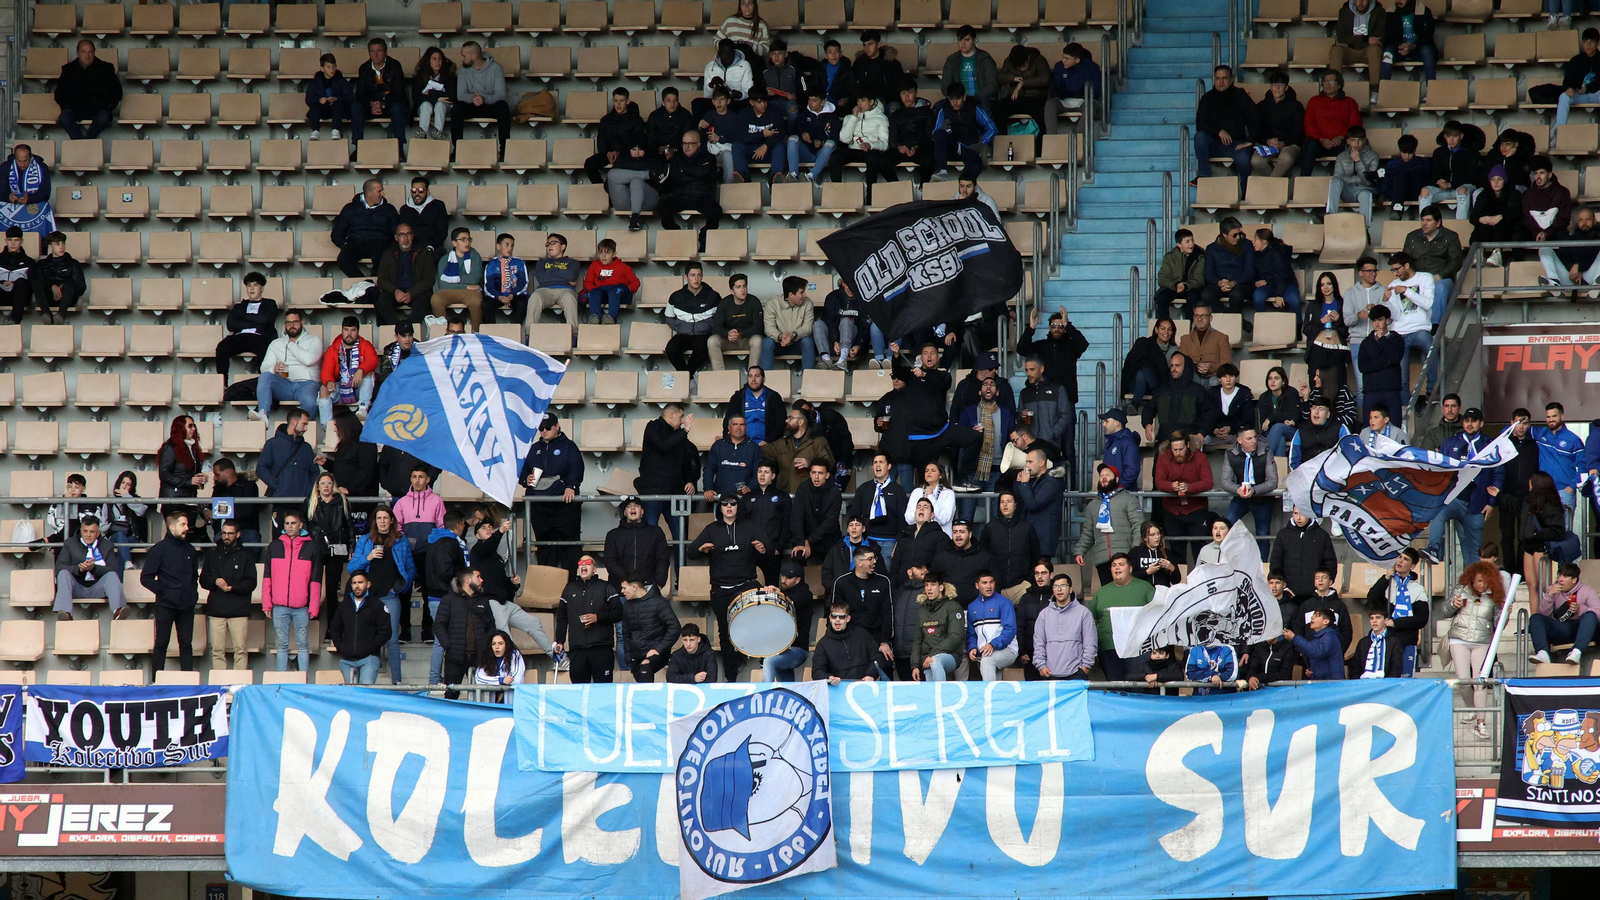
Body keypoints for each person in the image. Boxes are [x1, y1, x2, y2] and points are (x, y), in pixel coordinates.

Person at [692, 495, 769, 679]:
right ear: (720, 508)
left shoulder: (749, 527)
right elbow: (691, 551)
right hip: (720, 588)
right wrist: (700, 549)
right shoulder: (712, 529)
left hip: (746, 585)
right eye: (725, 504)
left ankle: (764, 662)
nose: (729, 506)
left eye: (733, 503)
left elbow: (770, 547)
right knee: (725, 636)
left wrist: (763, 549)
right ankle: (730, 679)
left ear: (738, 506)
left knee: (764, 616)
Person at [1425, 408, 1502, 565]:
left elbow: (1498, 475)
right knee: (1438, 511)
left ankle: (1473, 586)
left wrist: (1492, 503)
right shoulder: (1451, 442)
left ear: (1481, 423)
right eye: (1466, 421)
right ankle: (1434, 548)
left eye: (1473, 421)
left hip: (1477, 503)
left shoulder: (1490, 445)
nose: (1469, 424)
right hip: (1455, 497)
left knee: (1472, 551)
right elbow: (1440, 469)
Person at [347, 505, 414, 684]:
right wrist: (368, 557)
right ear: (374, 522)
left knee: (392, 639)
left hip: (389, 596)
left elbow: (410, 569)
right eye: (379, 518)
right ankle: (368, 681)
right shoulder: (366, 541)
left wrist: (399, 588)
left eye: (385, 518)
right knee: (369, 638)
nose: (382, 521)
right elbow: (351, 568)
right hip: (369, 598)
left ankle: (397, 682)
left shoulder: (401, 540)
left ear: (392, 520)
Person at [1446, 561, 1505, 736]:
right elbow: (1443, 612)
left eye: (1485, 581)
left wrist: (1504, 613)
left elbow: (1497, 625)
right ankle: (1471, 709)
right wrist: (1452, 605)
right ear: (1471, 579)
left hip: (1482, 641)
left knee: (1480, 682)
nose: (1482, 585)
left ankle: (1481, 723)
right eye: (1479, 581)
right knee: (1463, 681)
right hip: (1459, 640)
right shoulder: (1460, 591)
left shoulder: (1494, 597)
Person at [520, 413, 584, 573]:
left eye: (548, 427)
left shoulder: (569, 446)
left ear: (557, 426)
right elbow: (522, 470)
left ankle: (572, 589)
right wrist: (525, 479)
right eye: (541, 428)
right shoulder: (534, 448)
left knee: (569, 548)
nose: (544, 430)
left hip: (564, 504)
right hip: (539, 505)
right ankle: (547, 590)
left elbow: (577, 468)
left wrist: (571, 487)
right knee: (545, 548)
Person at [262, 511, 324, 672]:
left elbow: (316, 579)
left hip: (301, 606)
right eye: (287, 523)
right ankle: (281, 679)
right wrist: (266, 603)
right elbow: (267, 576)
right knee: (281, 644)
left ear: (301, 525)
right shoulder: (274, 546)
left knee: (303, 645)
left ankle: (303, 679)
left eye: (293, 523)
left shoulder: (311, 547)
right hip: (279, 605)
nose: (290, 526)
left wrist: (314, 606)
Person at [137, 511, 199, 671]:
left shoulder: (190, 550)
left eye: (187, 524)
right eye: (183, 524)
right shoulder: (159, 549)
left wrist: (193, 594)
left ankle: (189, 681)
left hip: (186, 605)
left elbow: (194, 577)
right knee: (161, 643)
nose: (187, 528)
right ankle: (156, 682)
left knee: (186, 644)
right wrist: (163, 591)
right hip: (165, 605)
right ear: (172, 527)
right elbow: (146, 578)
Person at [554, 555, 624, 684]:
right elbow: (562, 617)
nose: (583, 565)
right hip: (577, 649)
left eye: (588, 562)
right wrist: (560, 641)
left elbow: (619, 613)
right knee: (579, 690)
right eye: (580, 562)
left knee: (603, 690)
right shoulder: (569, 589)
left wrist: (598, 617)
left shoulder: (605, 587)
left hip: (601, 648)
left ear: (594, 569)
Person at [1086, 553, 1155, 680]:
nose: (1117, 568)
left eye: (1121, 564)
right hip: (1109, 648)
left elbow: (1156, 616)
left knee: (1137, 687)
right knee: (1115, 688)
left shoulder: (1145, 588)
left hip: (1138, 647)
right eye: (1114, 565)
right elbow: (1090, 621)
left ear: (1130, 568)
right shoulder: (1101, 592)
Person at [1363, 547, 1431, 676]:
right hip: (1386, 638)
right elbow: (1372, 598)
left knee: (1405, 677)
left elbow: (1421, 619)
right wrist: (1385, 577)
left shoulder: (1417, 589)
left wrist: (1396, 623)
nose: (1400, 561)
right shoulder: (1387, 583)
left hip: (1407, 639)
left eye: (1406, 559)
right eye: (1399, 557)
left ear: (1412, 566)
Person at [198, 519, 254, 670]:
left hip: (239, 610)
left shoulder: (246, 555)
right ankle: (219, 685)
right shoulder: (213, 554)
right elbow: (203, 579)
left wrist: (233, 587)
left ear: (238, 534)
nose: (227, 536)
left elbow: (251, 583)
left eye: (230, 533)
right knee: (217, 651)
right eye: (224, 533)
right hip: (217, 609)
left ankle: (240, 684)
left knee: (240, 650)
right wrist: (215, 581)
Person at [1074, 463, 1141, 585]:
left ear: (1116, 479)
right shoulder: (1092, 505)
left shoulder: (1128, 499)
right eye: (1101, 475)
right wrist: (1080, 550)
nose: (1104, 477)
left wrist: (1135, 549)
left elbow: (1139, 526)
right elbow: (1088, 532)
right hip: (1103, 559)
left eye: (1107, 475)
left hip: (1125, 557)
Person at [52, 514, 127, 622]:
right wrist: (79, 569)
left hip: (97, 587)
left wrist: (93, 568)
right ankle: (65, 613)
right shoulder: (70, 543)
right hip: (76, 587)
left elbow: (112, 569)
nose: (88, 535)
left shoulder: (107, 545)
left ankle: (118, 611)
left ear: (98, 533)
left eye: (92, 532)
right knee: (63, 573)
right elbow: (59, 567)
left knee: (112, 576)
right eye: (85, 531)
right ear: (81, 531)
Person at [1192, 65, 1256, 191]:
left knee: (1244, 158)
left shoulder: (1240, 95)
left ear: (1231, 79)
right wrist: (1218, 131)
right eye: (1218, 78)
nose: (1221, 81)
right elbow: (1200, 124)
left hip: (1237, 144)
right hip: (1215, 144)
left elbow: (1255, 117)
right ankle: (1203, 176)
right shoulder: (1207, 98)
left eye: (1224, 78)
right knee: (1199, 137)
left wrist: (1251, 140)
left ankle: (1246, 191)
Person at [1152, 432, 1213, 564]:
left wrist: (1189, 488)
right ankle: (1178, 582)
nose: (1178, 453)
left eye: (1181, 449)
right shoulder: (1163, 457)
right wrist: (1171, 486)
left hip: (1197, 509)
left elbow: (1208, 482)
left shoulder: (1200, 457)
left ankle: (1202, 581)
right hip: (1172, 510)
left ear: (1188, 445)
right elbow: (1159, 482)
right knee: (1176, 549)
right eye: (1175, 450)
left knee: (1200, 548)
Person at [254, 310, 323, 421]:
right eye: (288, 323)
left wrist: (291, 344)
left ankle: (306, 430)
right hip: (286, 384)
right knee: (265, 377)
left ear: (302, 322)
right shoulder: (276, 343)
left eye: (295, 322)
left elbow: (309, 360)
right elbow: (264, 367)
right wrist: (274, 368)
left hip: (307, 384)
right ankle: (263, 415)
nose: (291, 326)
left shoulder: (314, 340)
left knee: (310, 402)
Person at [435, 569, 494, 695]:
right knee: (451, 695)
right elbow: (439, 625)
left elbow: (491, 627)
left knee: (484, 695)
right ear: (467, 580)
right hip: (455, 657)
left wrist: (486, 647)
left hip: (480, 658)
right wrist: (448, 645)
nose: (482, 580)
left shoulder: (484, 601)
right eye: (478, 577)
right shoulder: (449, 600)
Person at [1529, 562, 1599, 666]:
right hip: (1563, 629)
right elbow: (1543, 614)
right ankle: (1543, 653)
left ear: (1574, 580)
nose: (1560, 579)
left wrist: (1580, 609)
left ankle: (1576, 652)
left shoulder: (1587, 590)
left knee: (1591, 615)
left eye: (1565, 576)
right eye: (1559, 575)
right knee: (1535, 618)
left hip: (1582, 629)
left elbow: (1597, 612)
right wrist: (1550, 595)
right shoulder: (1552, 590)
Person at [326, 572, 389, 685]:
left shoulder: (377, 605)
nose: (357, 586)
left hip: (369, 658)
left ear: (368, 584)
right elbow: (335, 628)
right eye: (354, 583)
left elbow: (386, 631)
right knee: (350, 696)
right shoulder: (344, 606)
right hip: (347, 660)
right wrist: (341, 647)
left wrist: (371, 647)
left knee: (365, 694)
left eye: (360, 582)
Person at [213, 272, 278, 380]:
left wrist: (243, 317)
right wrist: (256, 321)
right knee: (222, 347)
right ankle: (223, 383)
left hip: (260, 337)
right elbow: (231, 324)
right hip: (240, 337)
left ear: (261, 288)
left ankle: (264, 383)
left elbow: (265, 320)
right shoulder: (239, 306)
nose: (251, 288)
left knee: (264, 350)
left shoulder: (269, 304)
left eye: (255, 285)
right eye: (249, 285)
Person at [617, 571, 680, 682]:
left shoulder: (659, 603)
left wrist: (658, 649)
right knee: (641, 687)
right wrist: (629, 658)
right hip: (635, 657)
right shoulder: (627, 606)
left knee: (645, 668)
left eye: (624, 588)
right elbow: (626, 634)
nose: (622, 591)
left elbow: (674, 627)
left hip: (657, 653)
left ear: (634, 587)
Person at [1220, 426, 1278, 546]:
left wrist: (1255, 490)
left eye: (1255, 437)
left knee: (1263, 534)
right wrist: (1237, 489)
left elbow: (1273, 481)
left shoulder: (1266, 453)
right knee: (1227, 526)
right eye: (1249, 438)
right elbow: (1225, 481)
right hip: (1240, 497)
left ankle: (1262, 564)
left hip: (1262, 498)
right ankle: (1228, 561)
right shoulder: (1230, 454)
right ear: (1240, 441)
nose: (1254, 441)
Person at [54, 40, 122, 140]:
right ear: (77, 53)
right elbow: (59, 94)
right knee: (64, 118)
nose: (87, 55)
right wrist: (67, 105)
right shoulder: (68, 69)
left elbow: (117, 93)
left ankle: (87, 142)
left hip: (99, 109)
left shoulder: (106, 68)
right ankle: (83, 142)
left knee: (104, 117)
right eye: (83, 52)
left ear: (94, 52)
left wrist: (107, 106)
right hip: (75, 109)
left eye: (90, 52)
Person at [904, 571, 964, 682]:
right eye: (926, 585)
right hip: (927, 658)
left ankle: (940, 695)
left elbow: (955, 637)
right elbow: (918, 640)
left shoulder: (953, 607)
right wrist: (915, 666)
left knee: (935, 661)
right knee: (930, 691)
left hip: (950, 655)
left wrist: (932, 654)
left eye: (933, 584)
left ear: (941, 587)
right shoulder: (922, 610)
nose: (929, 588)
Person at [1300, 69, 1363, 177]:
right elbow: (1308, 125)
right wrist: (1322, 139)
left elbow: (1355, 124)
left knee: (1351, 145)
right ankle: (1303, 180)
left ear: (1339, 85)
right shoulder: (1314, 101)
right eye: (1325, 81)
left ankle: (1348, 183)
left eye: (1331, 81)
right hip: (1320, 143)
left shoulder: (1349, 102)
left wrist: (1341, 137)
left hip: (1341, 142)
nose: (1327, 84)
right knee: (1310, 145)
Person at [373, 225, 436, 328]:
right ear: (396, 238)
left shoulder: (424, 253)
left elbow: (429, 280)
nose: (405, 239)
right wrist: (395, 291)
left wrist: (411, 293)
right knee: (382, 301)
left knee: (423, 304)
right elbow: (382, 280)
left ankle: (407, 330)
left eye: (408, 234)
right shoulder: (388, 254)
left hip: (417, 292)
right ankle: (398, 328)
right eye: (402, 235)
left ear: (413, 236)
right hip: (395, 292)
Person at [316, 316, 377, 422]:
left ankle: (363, 408)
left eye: (353, 330)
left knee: (369, 373)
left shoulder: (364, 344)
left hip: (358, 387)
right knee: (324, 389)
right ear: (342, 331)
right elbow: (326, 369)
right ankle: (327, 428)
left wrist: (361, 370)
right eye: (346, 330)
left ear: (358, 331)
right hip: (340, 388)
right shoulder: (334, 348)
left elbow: (373, 360)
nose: (349, 334)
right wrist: (329, 381)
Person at [815, 279, 885, 371]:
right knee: (818, 323)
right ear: (843, 283)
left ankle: (843, 359)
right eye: (848, 284)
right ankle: (826, 359)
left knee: (846, 320)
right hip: (833, 343)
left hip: (853, 343)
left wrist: (858, 345)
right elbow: (829, 321)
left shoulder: (864, 298)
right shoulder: (833, 297)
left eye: (854, 285)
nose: (851, 288)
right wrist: (835, 341)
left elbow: (865, 326)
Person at [931, 83, 997, 179]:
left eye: (958, 98)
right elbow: (935, 134)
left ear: (964, 97)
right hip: (952, 148)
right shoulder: (944, 110)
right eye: (951, 99)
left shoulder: (974, 108)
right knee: (939, 134)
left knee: (975, 168)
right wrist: (943, 128)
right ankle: (942, 171)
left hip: (968, 148)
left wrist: (980, 144)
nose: (955, 103)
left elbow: (992, 128)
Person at [1270, 509, 1340, 601]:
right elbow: (1276, 563)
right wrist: (1284, 588)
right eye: (1295, 514)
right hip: (1289, 595)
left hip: (1315, 595)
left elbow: (1330, 563)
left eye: (1302, 514)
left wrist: (1321, 587)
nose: (1298, 518)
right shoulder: (1283, 535)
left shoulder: (1322, 535)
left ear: (1309, 513)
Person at [352, 38, 410, 145]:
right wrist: (372, 103)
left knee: (397, 108)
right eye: (372, 51)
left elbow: (399, 92)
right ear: (369, 53)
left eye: (379, 51)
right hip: (371, 106)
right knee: (356, 108)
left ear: (386, 52)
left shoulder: (395, 66)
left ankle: (400, 147)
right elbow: (360, 93)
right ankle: (357, 147)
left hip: (390, 105)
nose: (376, 55)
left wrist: (383, 104)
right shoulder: (364, 68)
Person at [664, 262, 719, 372]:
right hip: (683, 334)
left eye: (699, 275)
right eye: (692, 275)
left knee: (701, 348)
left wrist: (709, 327)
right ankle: (688, 377)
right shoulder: (676, 297)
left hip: (703, 335)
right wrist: (678, 327)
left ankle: (687, 378)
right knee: (671, 349)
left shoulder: (713, 296)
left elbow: (720, 318)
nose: (696, 278)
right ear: (686, 277)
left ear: (702, 276)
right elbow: (669, 317)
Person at [962, 571, 1018, 681]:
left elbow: (1010, 630)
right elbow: (971, 633)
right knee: (992, 675)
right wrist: (972, 647)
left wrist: (993, 645)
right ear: (977, 586)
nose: (989, 586)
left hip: (1007, 650)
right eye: (984, 583)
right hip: (985, 653)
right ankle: (994, 695)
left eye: (991, 582)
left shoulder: (1004, 602)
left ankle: (989, 696)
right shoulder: (972, 606)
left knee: (987, 661)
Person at [587, 88, 647, 186]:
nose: (618, 104)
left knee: (619, 167)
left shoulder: (636, 120)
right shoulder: (606, 120)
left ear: (627, 101)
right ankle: (601, 189)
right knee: (590, 163)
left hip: (627, 155)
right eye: (616, 101)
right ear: (612, 101)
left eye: (621, 101)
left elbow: (637, 143)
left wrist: (619, 153)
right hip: (608, 154)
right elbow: (601, 143)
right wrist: (608, 153)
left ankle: (612, 191)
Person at [1418, 128, 1479, 223]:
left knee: (1462, 191)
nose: (1451, 139)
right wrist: (1438, 181)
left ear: (1461, 136)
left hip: (1463, 188)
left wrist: (1451, 184)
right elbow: (1433, 173)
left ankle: (1460, 225)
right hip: (1443, 189)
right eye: (1448, 136)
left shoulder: (1470, 152)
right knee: (1425, 191)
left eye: (1455, 136)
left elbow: (1472, 177)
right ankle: (1424, 225)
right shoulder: (1439, 152)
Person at [1524, 157, 1575, 269]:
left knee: (1566, 240)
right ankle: (1518, 270)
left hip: (1555, 231)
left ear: (1550, 175)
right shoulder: (1527, 195)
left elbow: (1564, 219)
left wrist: (1547, 232)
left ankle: (1567, 272)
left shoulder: (1562, 192)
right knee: (1516, 238)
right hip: (1534, 232)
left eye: (1541, 173)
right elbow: (1526, 219)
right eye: (1535, 173)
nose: (1538, 177)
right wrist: (1537, 232)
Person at [1327, 125, 1380, 234]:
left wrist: (1358, 162)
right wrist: (1357, 178)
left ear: (1364, 141)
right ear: (1348, 141)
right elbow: (1338, 178)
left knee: (1366, 194)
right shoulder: (1341, 157)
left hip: (1364, 190)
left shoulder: (1373, 156)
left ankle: (1365, 229)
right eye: (1353, 140)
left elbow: (1368, 181)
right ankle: (1330, 216)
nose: (1356, 144)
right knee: (1335, 181)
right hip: (1347, 190)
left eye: (1359, 140)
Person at [1250, 71, 1304, 177]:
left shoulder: (1296, 106)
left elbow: (1298, 132)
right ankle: (1278, 184)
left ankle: (1272, 187)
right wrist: (1268, 140)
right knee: (1256, 160)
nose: (1277, 88)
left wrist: (1283, 143)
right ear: (1270, 87)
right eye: (1274, 84)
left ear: (1286, 87)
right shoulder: (1262, 106)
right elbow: (1257, 129)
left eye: (1281, 84)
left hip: (1289, 144)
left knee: (1286, 158)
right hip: (1268, 144)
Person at [811, 601, 880, 683]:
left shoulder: (862, 634)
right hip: (838, 690)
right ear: (830, 618)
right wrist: (829, 678)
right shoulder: (823, 644)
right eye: (834, 616)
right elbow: (817, 672)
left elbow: (877, 656)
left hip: (864, 686)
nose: (837, 620)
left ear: (848, 619)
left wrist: (871, 674)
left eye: (841, 617)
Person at [1532, 401, 1584, 508]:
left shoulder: (1573, 440)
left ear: (1562, 416)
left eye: (1554, 416)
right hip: (1543, 491)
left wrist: (1572, 487)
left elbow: (1583, 465)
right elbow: (1515, 430)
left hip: (1565, 492)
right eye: (1548, 417)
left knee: (1565, 525)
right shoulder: (1540, 433)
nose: (1551, 419)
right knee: (1544, 525)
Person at [432, 228, 486, 330]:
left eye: (469, 239)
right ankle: (442, 332)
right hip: (455, 290)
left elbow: (474, 278)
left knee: (476, 301)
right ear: (454, 243)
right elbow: (442, 284)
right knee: (436, 299)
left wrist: (453, 279)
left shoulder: (475, 256)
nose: (467, 242)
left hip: (469, 292)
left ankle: (476, 332)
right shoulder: (445, 259)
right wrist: (465, 286)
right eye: (463, 239)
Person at [578, 238, 639, 327]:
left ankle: (611, 318)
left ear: (614, 254)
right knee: (594, 292)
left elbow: (635, 282)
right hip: (603, 292)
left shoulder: (623, 267)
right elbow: (588, 282)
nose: (603, 256)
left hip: (619, 292)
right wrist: (594, 291)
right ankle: (595, 318)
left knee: (614, 290)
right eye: (601, 253)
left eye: (607, 253)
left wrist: (628, 289)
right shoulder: (595, 265)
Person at [1331, 0, 1386, 95]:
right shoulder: (1344, 11)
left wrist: (1354, 41)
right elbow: (1342, 38)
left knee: (1374, 49)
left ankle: (1375, 89)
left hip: (1368, 51)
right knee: (1336, 50)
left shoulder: (1379, 12)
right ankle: (1333, 89)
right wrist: (1366, 39)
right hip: (1350, 50)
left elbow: (1378, 38)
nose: (1360, 3)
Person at [1044, 42, 1100, 132]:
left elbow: (1095, 91)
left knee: (1090, 106)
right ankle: (1051, 138)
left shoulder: (1092, 68)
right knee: (1050, 104)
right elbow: (1056, 88)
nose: (1063, 60)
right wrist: (1073, 92)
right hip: (1063, 100)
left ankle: (1079, 139)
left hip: (1084, 101)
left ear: (1077, 60)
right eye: (1063, 57)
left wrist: (1071, 91)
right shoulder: (1059, 66)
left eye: (1067, 58)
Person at [30, 231, 84, 324]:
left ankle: (61, 314)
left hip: (68, 298)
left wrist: (62, 287)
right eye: (57, 244)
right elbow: (38, 285)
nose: (61, 247)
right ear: (50, 247)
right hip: (48, 298)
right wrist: (52, 286)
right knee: (36, 282)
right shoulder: (41, 264)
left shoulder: (73, 263)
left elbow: (81, 287)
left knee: (70, 282)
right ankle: (46, 313)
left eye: (63, 243)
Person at [1123, 318, 1178, 406]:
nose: (1166, 332)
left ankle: (1135, 405)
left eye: (1169, 329)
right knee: (1143, 370)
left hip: (1161, 382)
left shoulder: (1174, 350)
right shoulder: (1145, 344)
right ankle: (1158, 393)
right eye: (1163, 328)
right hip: (1139, 384)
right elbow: (1133, 364)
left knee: (1144, 370)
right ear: (1156, 330)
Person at [1556, 28, 1600, 139]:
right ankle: (1558, 135)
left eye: (1591, 41)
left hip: (1597, 94)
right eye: (1585, 41)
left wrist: (1588, 88)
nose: (1588, 44)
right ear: (1582, 43)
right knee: (1564, 96)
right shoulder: (1576, 60)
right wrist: (1570, 88)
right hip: (1581, 95)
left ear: (1598, 43)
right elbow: (1567, 80)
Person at [788, 91, 841, 183]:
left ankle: (811, 176)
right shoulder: (803, 114)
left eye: (814, 100)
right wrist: (802, 134)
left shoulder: (832, 116)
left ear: (823, 101)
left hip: (824, 153)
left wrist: (822, 143)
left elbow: (836, 138)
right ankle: (793, 175)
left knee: (830, 144)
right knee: (792, 139)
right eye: (809, 100)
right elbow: (794, 131)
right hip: (807, 152)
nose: (810, 103)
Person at [1201, 223, 1254, 314]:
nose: (1238, 237)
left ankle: (1233, 320)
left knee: (1236, 294)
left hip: (1241, 284)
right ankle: (1231, 317)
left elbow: (1250, 272)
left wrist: (1234, 283)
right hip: (1220, 284)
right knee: (1206, 294)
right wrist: (1219, 282)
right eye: (1234, 235)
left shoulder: (1247, 245)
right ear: (1224, 235)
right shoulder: (1212, 248)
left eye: (1239, 234)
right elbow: (1208, 273)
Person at [1154, 230, 1206, 319]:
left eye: (1192, 240)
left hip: (1191, 287)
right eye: (1187, 241)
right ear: (1179, 244)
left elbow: (1200, 280)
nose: (1191, 244)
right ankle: (1164, 325)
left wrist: (1186, 285)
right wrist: (1176, 285)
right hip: (1174, 287)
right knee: (1161, 297)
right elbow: (1162, 279)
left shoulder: (1200, 257)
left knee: (1193, 298)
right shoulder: (1169, 257)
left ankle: (1190, 327)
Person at [156, 414, 209, 502]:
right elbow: (164, 474)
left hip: (189, 496)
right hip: (173, 498)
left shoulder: (193, 447)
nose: (194, 429)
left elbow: (188, 472)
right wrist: (189, 481)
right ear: (180, 428)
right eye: (190, 426)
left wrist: (199, 476)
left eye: (194, 426)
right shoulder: (170, 447)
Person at [481, 233, 529, 326]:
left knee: (522, 303)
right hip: (498, 296)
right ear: (498, 246)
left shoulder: (519, 262)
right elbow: (488, 286)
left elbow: (523, 283)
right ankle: (490, 334)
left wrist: (512, 294)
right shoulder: (492, 264)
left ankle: (514, 333)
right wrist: (498, 296)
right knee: (486, 305)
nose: (510, 248)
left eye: (512, 246)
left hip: (514, 295)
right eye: (507, 245)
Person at [1249, 229, 1301, 314]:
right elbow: (1252, 273)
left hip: (1286, 284)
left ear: (1264, 241)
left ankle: (1298, 326)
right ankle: (1262, 324)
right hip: (1268, 285)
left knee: (1294, 300)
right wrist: (1256, 282)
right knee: (1257, 297)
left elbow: (1282, 274)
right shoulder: (1256, 254)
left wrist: (1279, 294)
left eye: (1256, 239)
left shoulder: (1278, 252)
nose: (1253, 242)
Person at [409, 47, 455, 141]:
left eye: (439, 59)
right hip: (425, 106)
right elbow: (416, 97)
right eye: (434, 59)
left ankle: (437, 132)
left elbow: (451, 95)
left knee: (439, 105)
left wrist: (429, 94)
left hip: (445, 107)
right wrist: (437, 97)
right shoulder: (421, 76)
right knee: (426, 105)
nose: (437, 62)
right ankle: (422, 132)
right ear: (428, 61)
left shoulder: (449, 75)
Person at [1379, 134, 1433, 213]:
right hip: (1396, 192)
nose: (1407, 156)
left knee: (1402, 173)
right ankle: (1397, 207)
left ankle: (1397, 209)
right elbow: (1386, 183)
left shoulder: (1422, 163)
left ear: (1414, 150)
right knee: (1399, 175)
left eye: (1410, 153)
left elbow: (1427, 181)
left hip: (1416, 192)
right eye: (1404, 153)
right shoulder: (1393, 164)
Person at [1289, 609, 1346, 680]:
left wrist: (1295, 638)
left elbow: (1317, 652)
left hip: (1331, 682)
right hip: (1322, 680)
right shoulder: (1317, 637)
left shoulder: (1330, 636)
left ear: (1326, 621)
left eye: (1316, 616)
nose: (1312, 618)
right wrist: (1312, 670)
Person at [472, 630, 525, 702]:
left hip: (511, 702)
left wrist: (492, 681)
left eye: (500, 643)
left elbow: (516, 679)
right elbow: (479, 678)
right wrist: (500, 680)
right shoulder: (487, 657)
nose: (496, 647)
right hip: (492, 704)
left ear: (507, 645)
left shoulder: (515, 655)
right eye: (493, 644)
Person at [0, 227, 33, 324]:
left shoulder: (29, 262)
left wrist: (14, 283)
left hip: (20, 296)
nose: (13, 244)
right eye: (10, 240)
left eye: (16, 240)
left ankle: (14, 320)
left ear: (21, 241)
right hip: (2, 294)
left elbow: (32, 284)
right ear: (6, 241)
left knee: (21, 282)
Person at [1133, 522, 1180, 588]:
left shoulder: (1167, 553)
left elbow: (1176, 581)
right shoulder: (1135, 552)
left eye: (1158, 533)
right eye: (1152, 535)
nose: (1157, 537)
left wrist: (1172, 568)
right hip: (1141, 592)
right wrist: (1147, 572)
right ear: (1144, 538)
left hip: (1162, 593)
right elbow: (1129, 577)